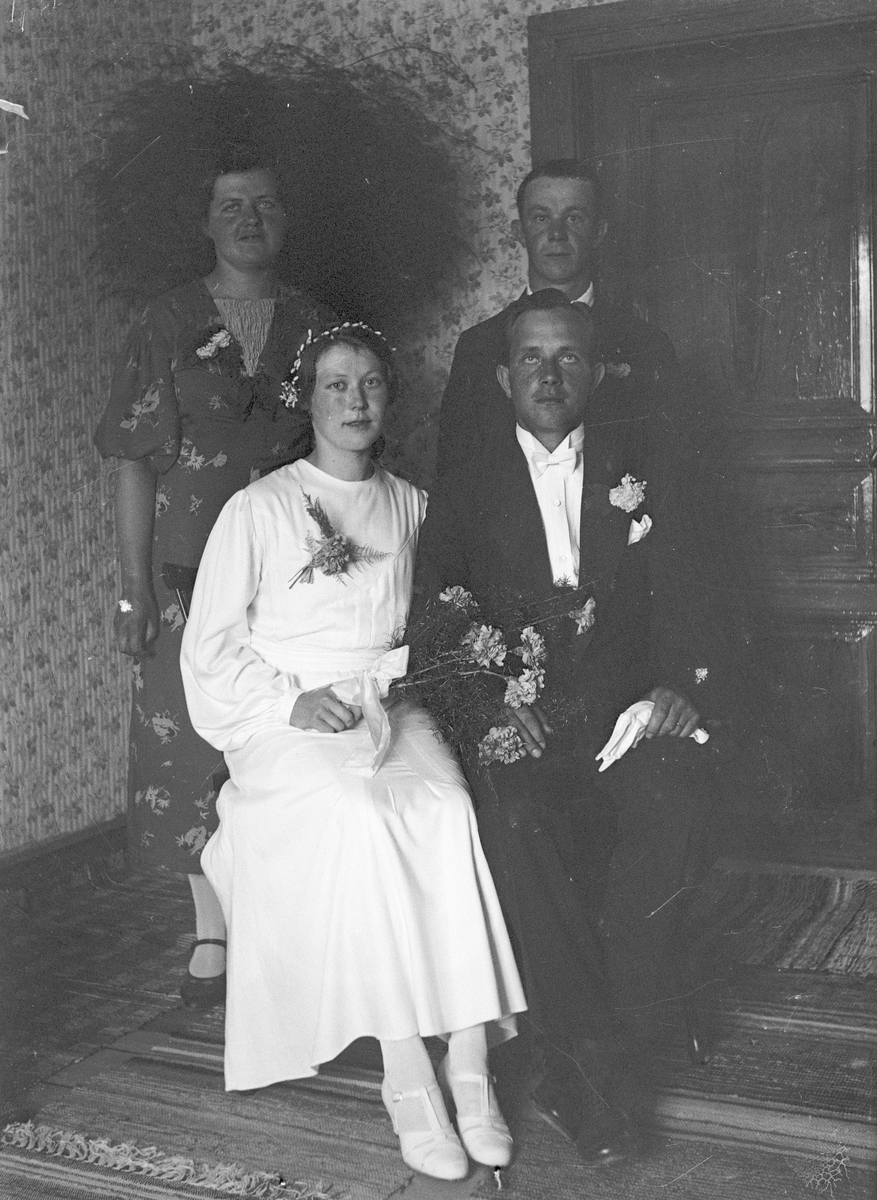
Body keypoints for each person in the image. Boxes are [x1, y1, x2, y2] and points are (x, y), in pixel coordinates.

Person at [179, 323, 527, 1181]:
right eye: (336, 384)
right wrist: (288, 702)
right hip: (287, 718)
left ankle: (469, 1062)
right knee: (359, 813)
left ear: (389, 398)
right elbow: (210, 647)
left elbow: (440, 619)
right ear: (307, 400)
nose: (355, 400)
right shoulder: (259, 508)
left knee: (445, 808)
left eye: (371, 383)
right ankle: (407, 1075)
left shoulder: (411, 505)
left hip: (391, 704)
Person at [415, 291, 728, 1165]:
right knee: (516, 818)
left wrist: (676, 687)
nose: (548, 376)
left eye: (566, 358)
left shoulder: (642, 473)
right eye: (530, 359)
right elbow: (434, 623)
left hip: (625, 720)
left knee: (674, 804)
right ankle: (596, 1061)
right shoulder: (466, 487)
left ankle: (593, 1047)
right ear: (501, 378)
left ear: (593, 373)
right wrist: (489, 702)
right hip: (525, 727)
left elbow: (698, 597)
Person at [94, 145, 334, 1007]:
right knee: (191, 747)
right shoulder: (165, 320)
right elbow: (134, 461)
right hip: (184, 575)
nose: (248, 219)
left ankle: (286, 930)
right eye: (230, 204)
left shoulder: (318, 324)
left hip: (291, 576)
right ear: (204, 222)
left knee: (284, 738)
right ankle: (212, 932)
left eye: (263, 203)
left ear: (287, 218)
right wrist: (133, 589)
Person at [435, 158, 678, 482]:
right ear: (519, 232)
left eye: (574, 218)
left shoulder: (646, 345)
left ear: (599, 232)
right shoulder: (479, 345)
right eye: (541, 218)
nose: (556, 234)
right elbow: (455, 473)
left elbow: (669, 472)